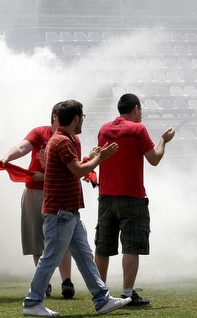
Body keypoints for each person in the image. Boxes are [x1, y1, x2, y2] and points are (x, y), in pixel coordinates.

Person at [23, 99, 131, 317]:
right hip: (61, 212)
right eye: (82, 117)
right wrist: (100, 158)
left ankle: (102, 299)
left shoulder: (63, 139)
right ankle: (32, 302)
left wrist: (91, 157)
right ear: (75, 118)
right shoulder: (62, 141)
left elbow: (74, 167)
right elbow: (78, 171)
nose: (82, 121)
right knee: (51, 258)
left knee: (84, 255)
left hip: (67, 212)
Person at [95, 93, 175, 305]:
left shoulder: (104, 129)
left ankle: (100, 293)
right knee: (131, 245)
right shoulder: (138, 129)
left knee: (103, 246)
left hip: (105, 196)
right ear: (136, 109)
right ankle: (128, 292)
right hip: (131, 196)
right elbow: (154, 159)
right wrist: (163, 141)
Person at [2, 102, 75, 299]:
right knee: (36, 238)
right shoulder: (39, 133)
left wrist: (44, 177)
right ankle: (44, 282)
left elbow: (72, 169)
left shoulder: (71, 138)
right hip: (34, 192)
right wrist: (9, 156)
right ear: (54, 117)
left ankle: (66, 281)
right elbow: (22, 147)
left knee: (63, 238)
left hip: (58, 192)